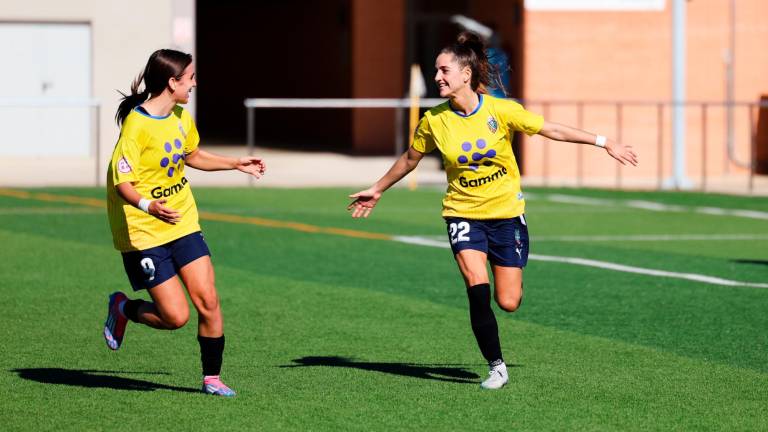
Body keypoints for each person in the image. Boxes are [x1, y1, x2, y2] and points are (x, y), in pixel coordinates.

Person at [348, 32, 637, 390]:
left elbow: (552, 129)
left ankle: (502, 324)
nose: (437, 77)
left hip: (506, 215)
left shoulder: (501, 110)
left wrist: (604, 142)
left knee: (509, 300)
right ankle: (496, 366)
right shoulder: (434, 120)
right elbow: (410, 158)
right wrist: (377, 189)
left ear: (465, 74)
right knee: (475, 283)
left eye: (443, 70)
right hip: (462, 213)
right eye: (435, 71)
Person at [104, 49, 266, 397]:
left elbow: (192, 155)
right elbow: (122, 183)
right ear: (172, 82)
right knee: (175, 317)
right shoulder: (137, 124)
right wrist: (150, 206)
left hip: (182, 221)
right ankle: (123, 308)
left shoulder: (180, 116)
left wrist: (235, 163)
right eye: (189, 77)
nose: (194, 83)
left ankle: (212, 378)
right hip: (143, 229)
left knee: (208, 299)